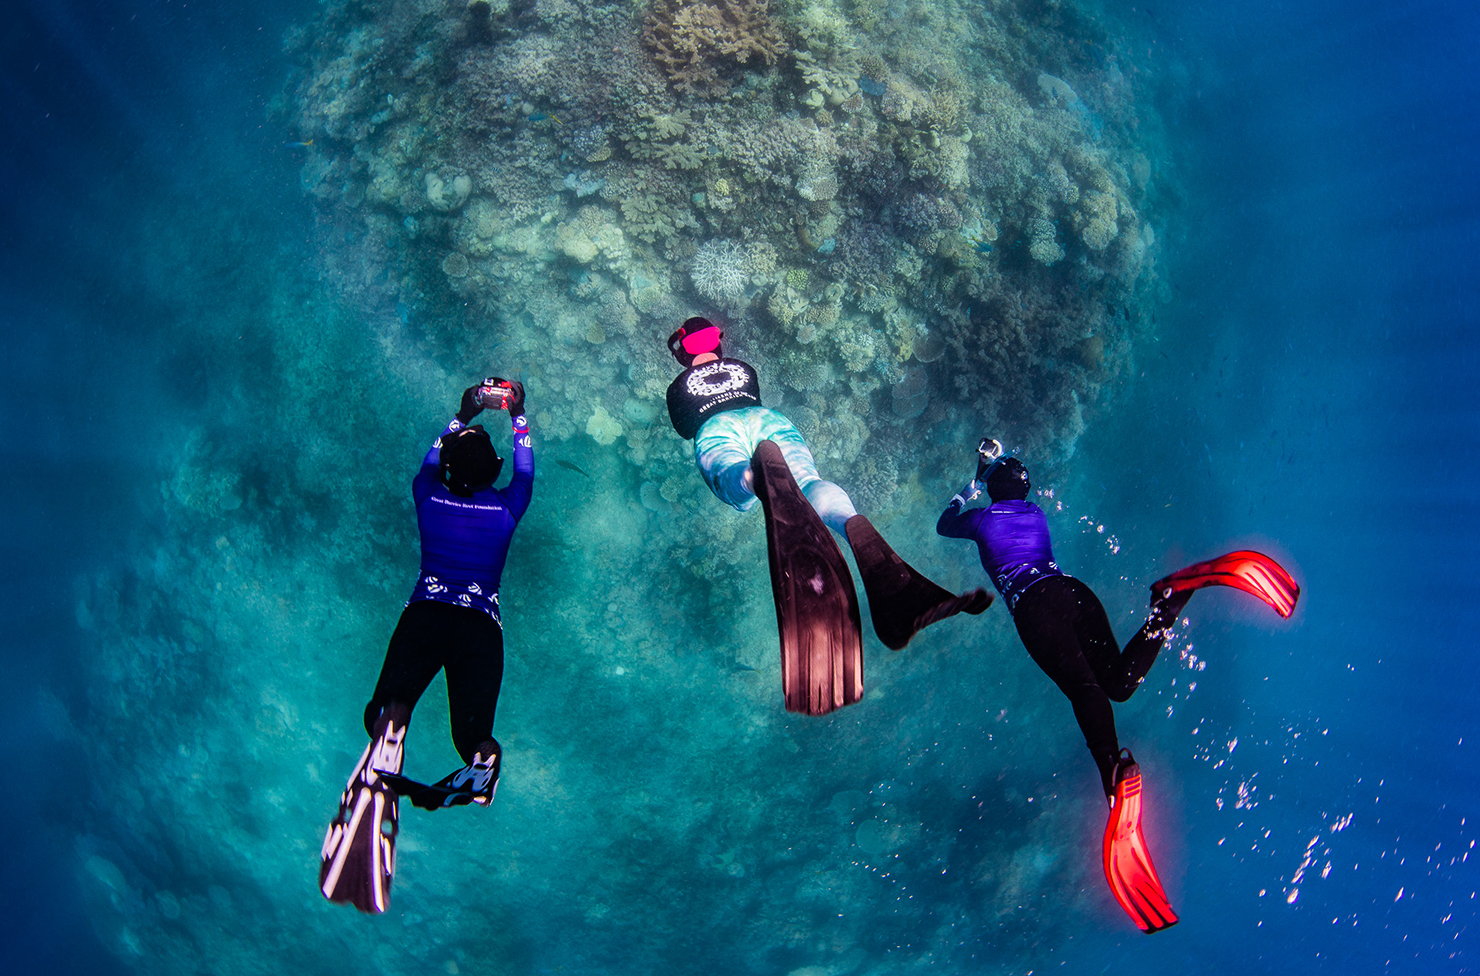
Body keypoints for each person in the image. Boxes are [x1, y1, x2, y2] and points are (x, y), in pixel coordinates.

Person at [936, 437, 1299, 933]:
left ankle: (1113, 775)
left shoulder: (982, 518)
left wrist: (970, 484)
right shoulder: (1035, 514)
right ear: (1025, 491)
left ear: (994, 493)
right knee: (1120, 683)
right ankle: (1168, 602)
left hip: (1035, 606)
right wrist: (990, 474)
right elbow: (1007, 493)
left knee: (1086, 690)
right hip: (1071, 590)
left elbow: (945, 522)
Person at [665, 317, 990, 715]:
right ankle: (850, 522)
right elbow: (746, 397)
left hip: (717, 428)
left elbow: (687, 427)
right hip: (769, 419)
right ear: (718, 341)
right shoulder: (743, 370)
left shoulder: (677, 388)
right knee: (808, 481)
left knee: (736, 482)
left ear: (682, 350)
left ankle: (752, 476)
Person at [320, 377, 532, 915]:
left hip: (427, 614)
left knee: (391, 698)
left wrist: (461, 415)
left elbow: (431, 457)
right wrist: (519, 417)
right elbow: (526, 469)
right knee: (471, 731)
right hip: (479, 627)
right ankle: (482, 759)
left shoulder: (427, 493)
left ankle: (392, 724)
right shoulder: (509, 507)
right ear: (495, 475)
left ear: (447, 470)